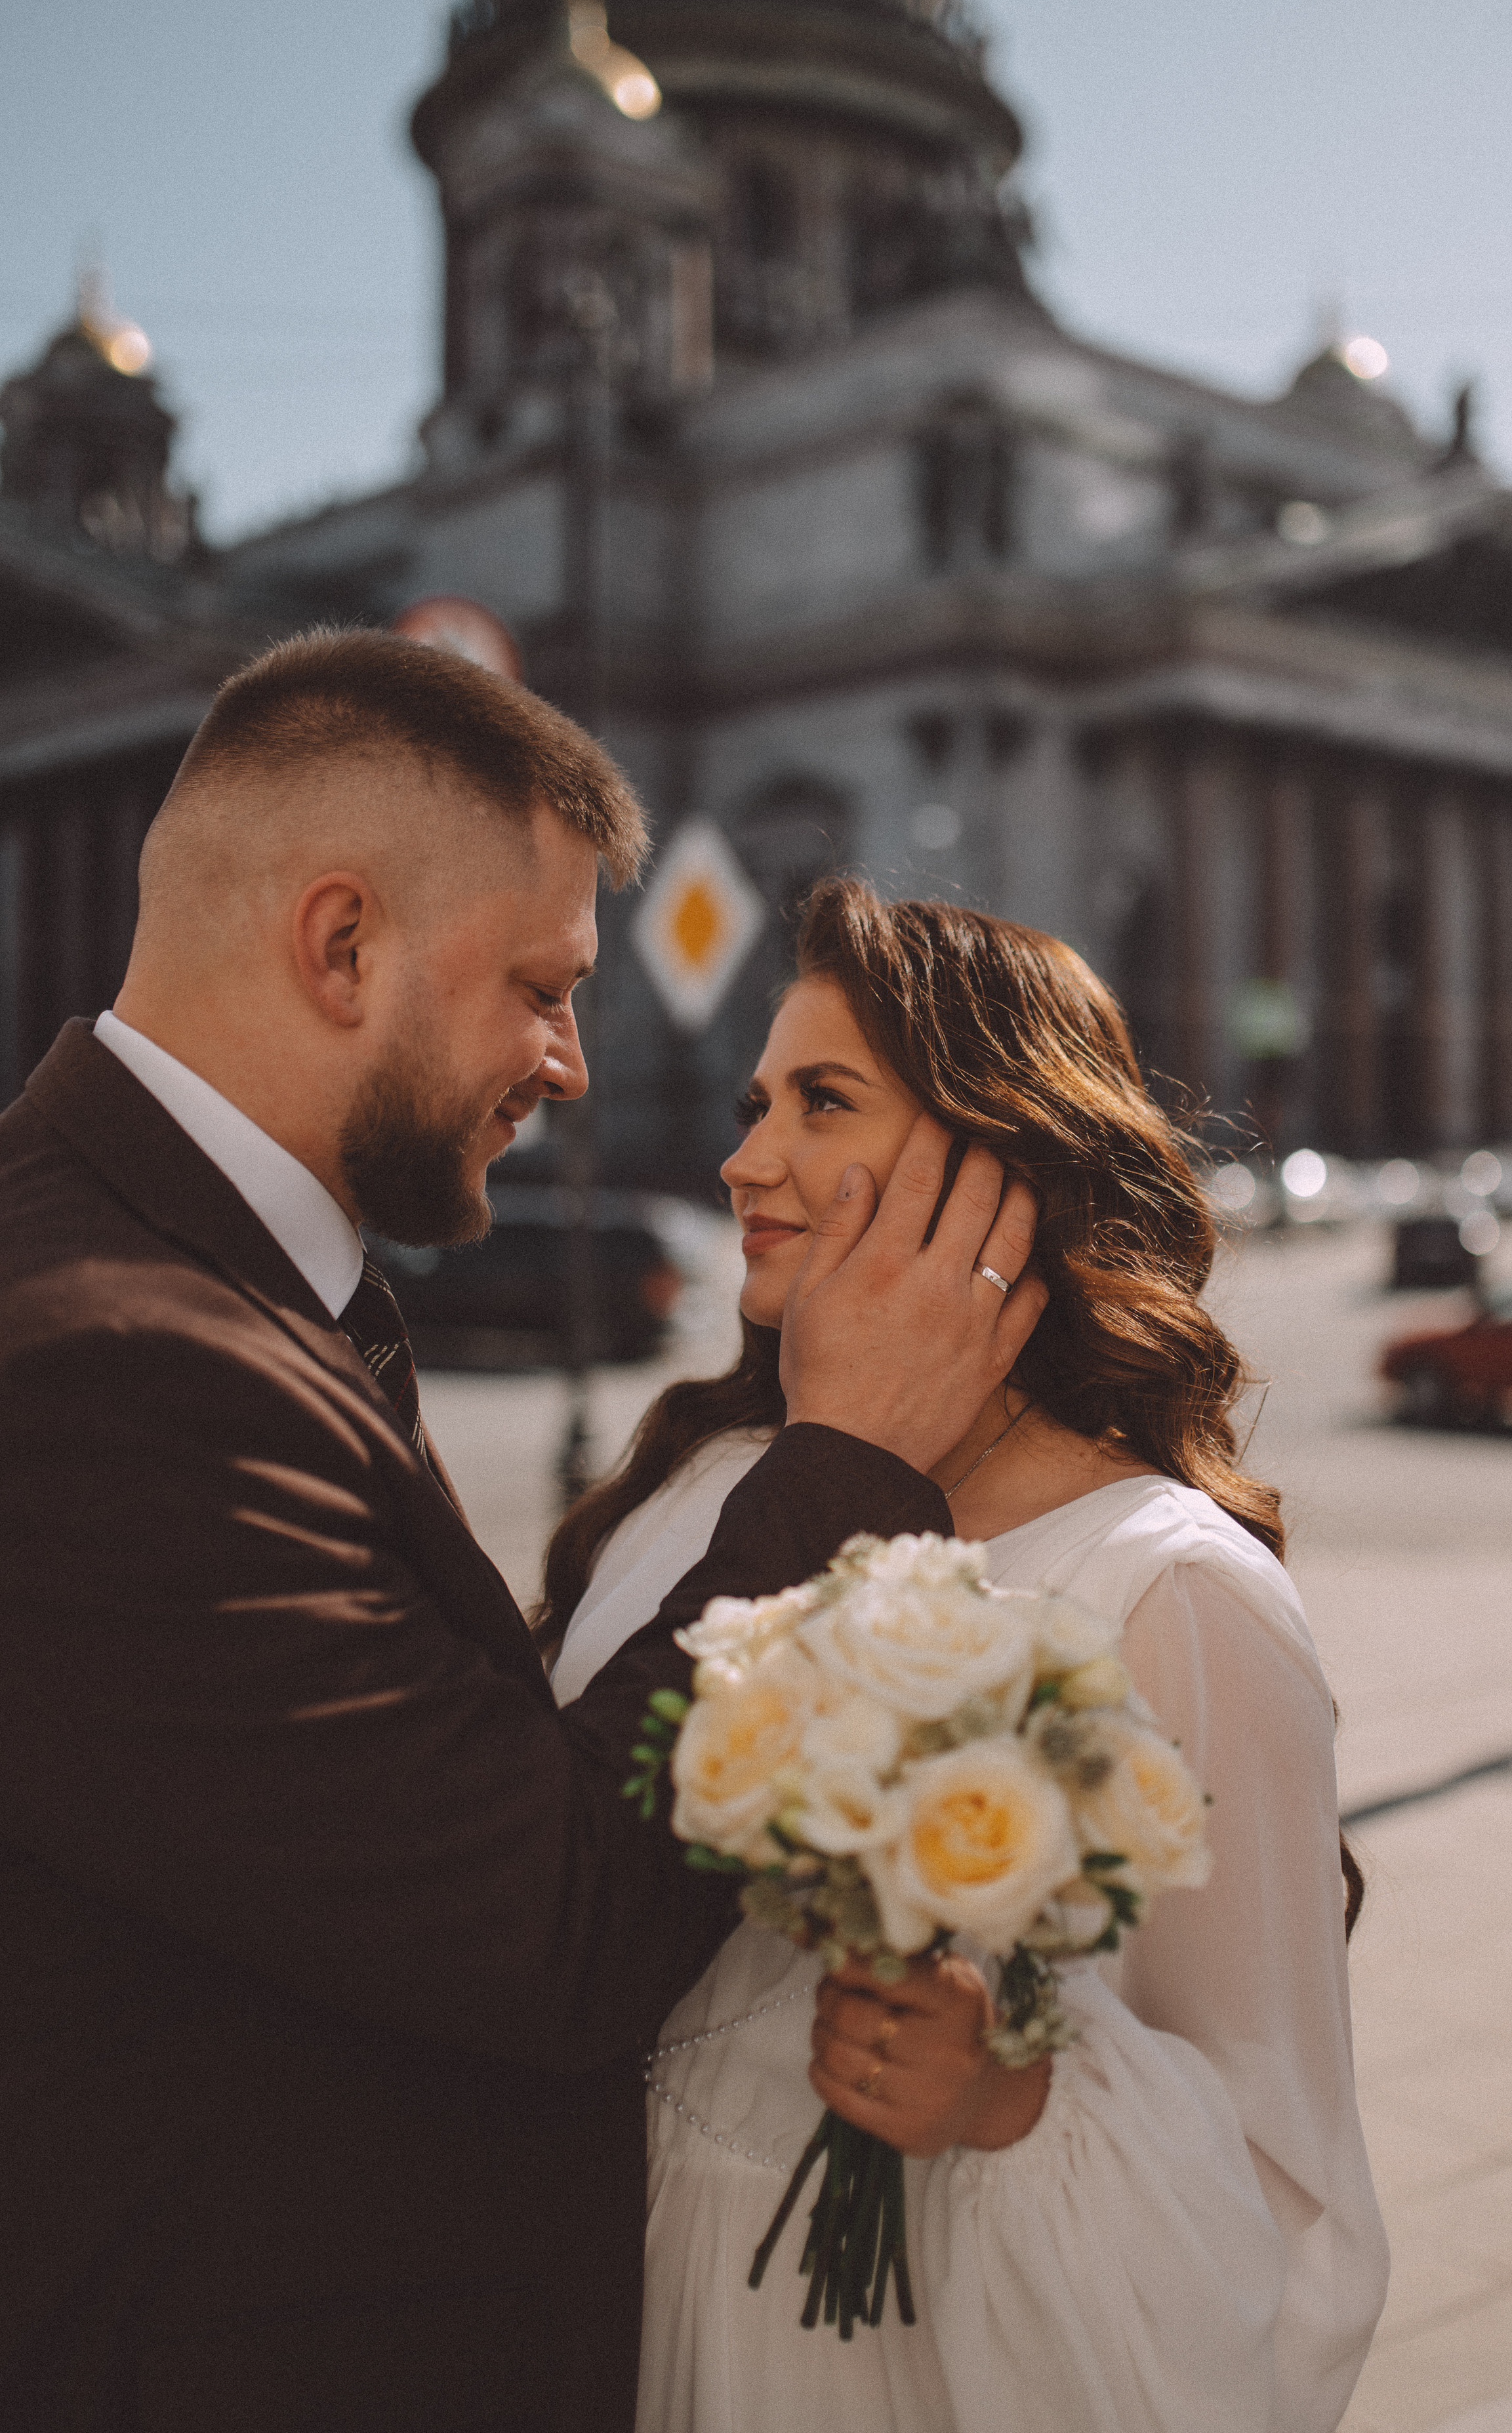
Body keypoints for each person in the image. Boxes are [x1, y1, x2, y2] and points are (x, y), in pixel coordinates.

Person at [0, 631, 1046, 2433]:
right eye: (540, 987)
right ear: (342, 944)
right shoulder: (114, 1358)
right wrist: (848, 1460)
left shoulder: (164, 1258)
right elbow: (550, 1922)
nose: (567, 1061)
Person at [541, 878, 1391, 2433]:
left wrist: (1011, 2096)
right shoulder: (700, 1488)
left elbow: (1293, 2200)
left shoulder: (1170, 1591)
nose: (743, 1160)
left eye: (821, 1101)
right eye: (752, 1105)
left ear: (996, 1165)